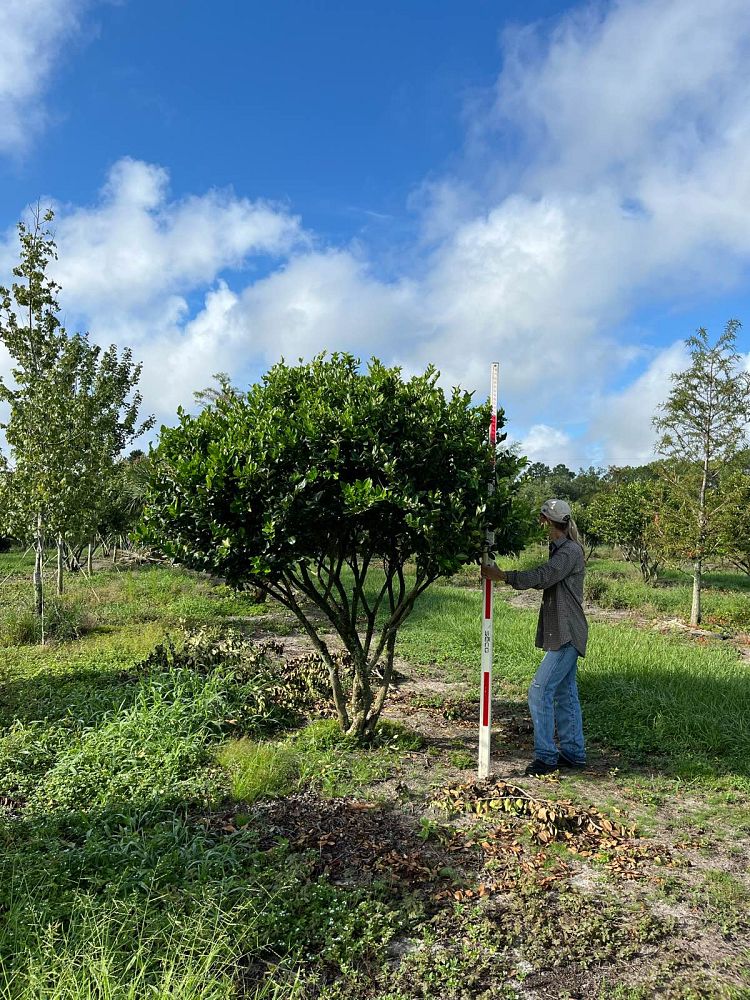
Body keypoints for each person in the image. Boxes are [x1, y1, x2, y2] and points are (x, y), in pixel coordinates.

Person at [482, 498, 588, 776]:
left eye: (542, 520)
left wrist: (504, 576)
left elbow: (545, 575)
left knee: (539, 691)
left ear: (547, 522)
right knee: (565, 693)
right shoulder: (562, 549)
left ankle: (546, 757)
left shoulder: (569, 553)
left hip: (568, 633)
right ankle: (574, 752)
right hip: (566, 631)